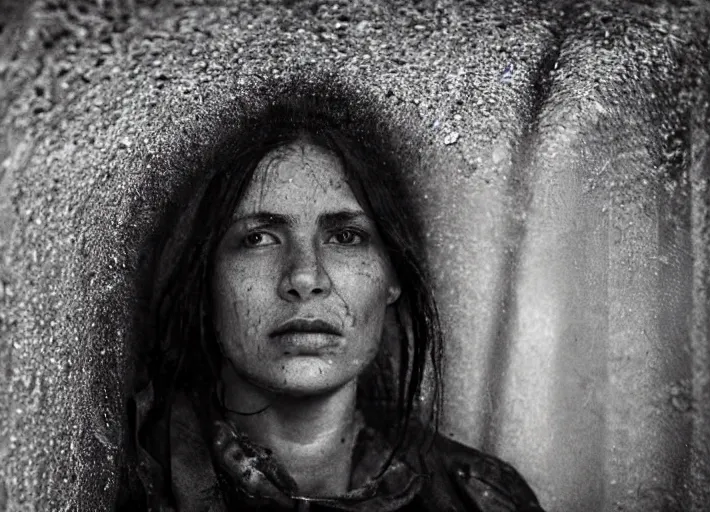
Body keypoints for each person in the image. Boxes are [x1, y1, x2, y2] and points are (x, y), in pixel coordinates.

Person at [119, 98, 544, 511]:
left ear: (391, 275)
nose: (305, 278)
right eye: (258, 238)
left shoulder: (478, 497)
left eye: (345, 237)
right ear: (206, 276)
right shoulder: (132, 481)